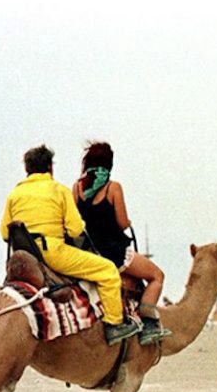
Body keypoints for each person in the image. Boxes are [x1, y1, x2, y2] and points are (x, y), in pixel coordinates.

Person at [1, 145, 139, 345]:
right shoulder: (59, 190)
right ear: (50, 167)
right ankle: (114, 324)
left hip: (25, 256)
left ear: (27, 169)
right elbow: (75, 229)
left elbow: (5, 232)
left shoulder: (15, 194)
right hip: (53, 253)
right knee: (108, 271)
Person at [72, 142, 170, 345]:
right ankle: (149, 325)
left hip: (89, 253)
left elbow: (76, 223)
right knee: (157, 276)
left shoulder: (76, 188)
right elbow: (123, 223)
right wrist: (128, 222)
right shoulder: (113, 187)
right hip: (114, 251)